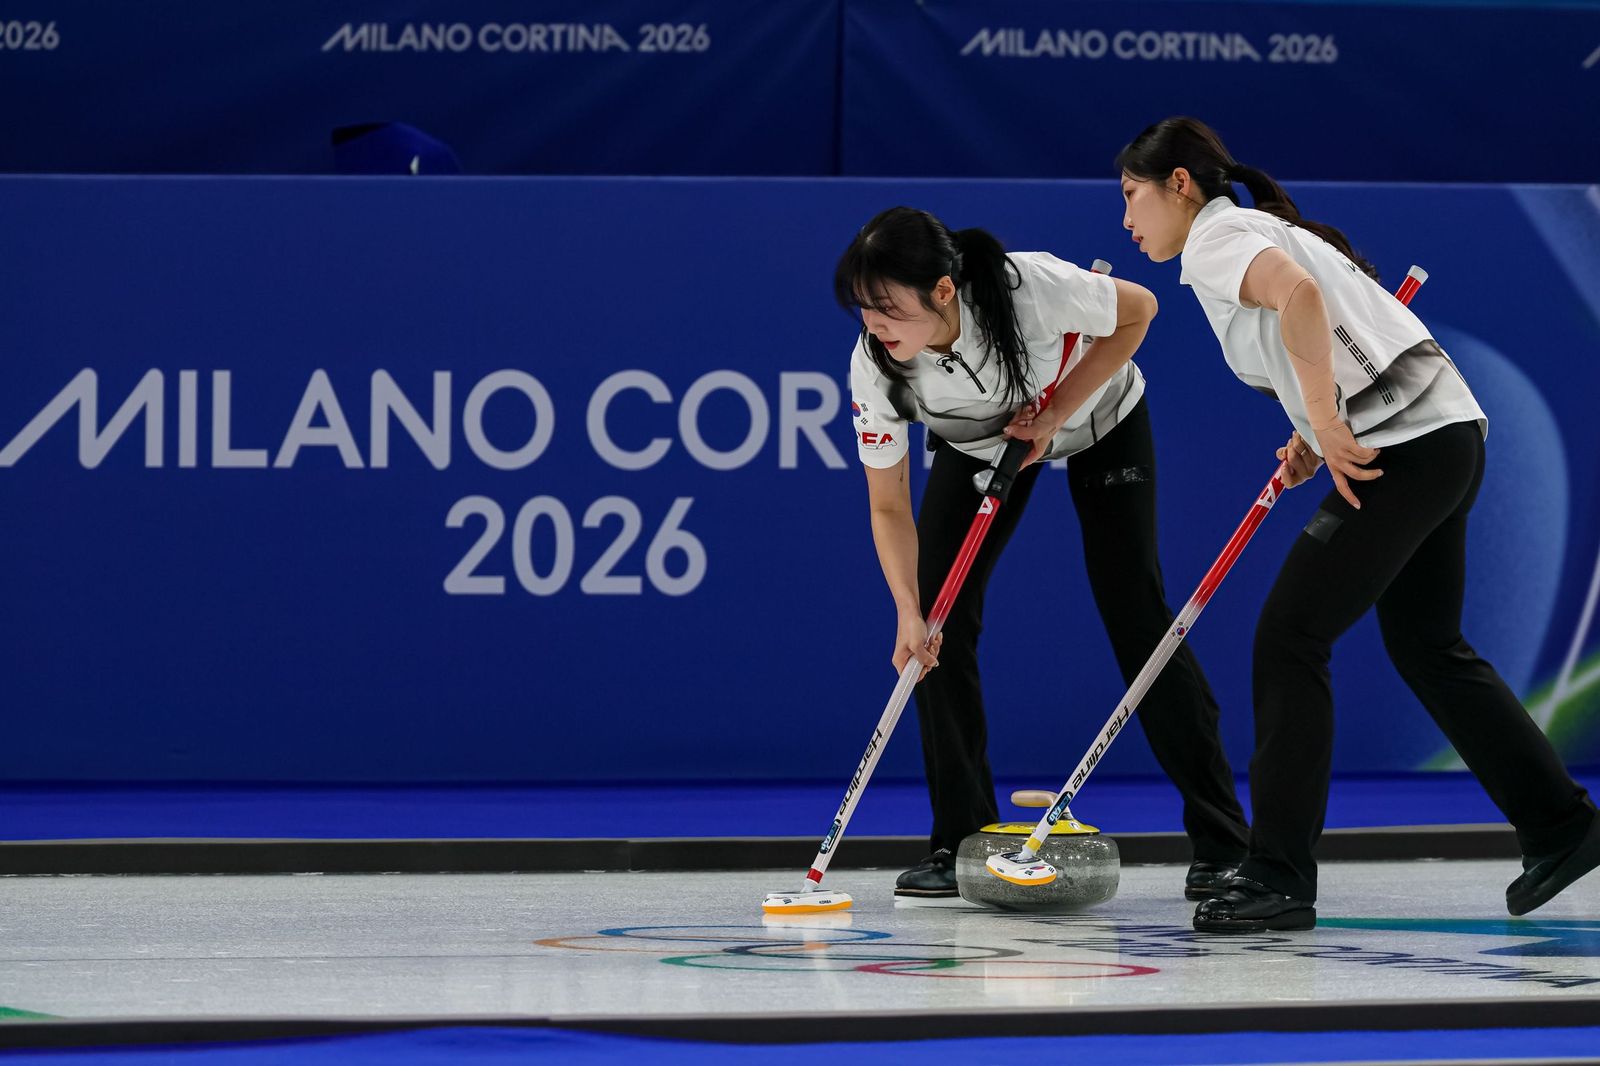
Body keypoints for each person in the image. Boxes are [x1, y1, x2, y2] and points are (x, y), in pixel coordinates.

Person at [1115, 116, 1600, 932]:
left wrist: (1325, 417)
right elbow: (1331, 330)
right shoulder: (1257, 230)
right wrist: (1316, 431)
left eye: (1131, 195)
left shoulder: (1217, 235)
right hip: (1443, 437)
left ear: (1180, 186)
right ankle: (1562, 825)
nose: (1126, 220)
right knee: (1428, 647)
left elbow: (1299, 299)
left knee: (1289, 638)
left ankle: (1276, 875)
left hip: (1406, 446)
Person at [836, 205, 1250, 901]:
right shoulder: (875, 367)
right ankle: (958, 841)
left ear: (943, 290)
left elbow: (1140, 311)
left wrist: (1058, 414)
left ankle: (1224, 842)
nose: (874, 326)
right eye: (864, 311)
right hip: (981, 447)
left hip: (1098, 420)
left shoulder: (1028, 286)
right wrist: (907, 611)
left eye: (887, 309)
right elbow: (887, 505)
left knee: (1137, 614)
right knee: (938, 628)